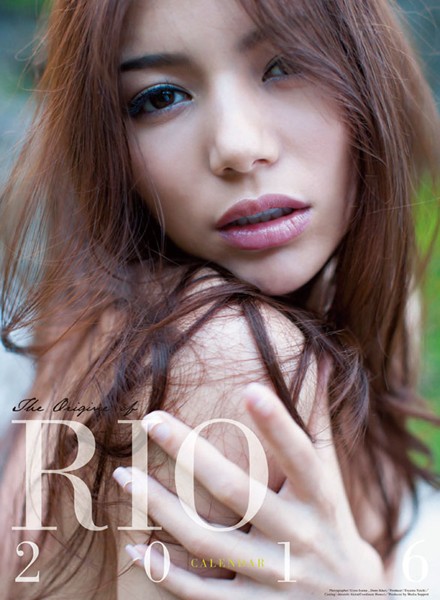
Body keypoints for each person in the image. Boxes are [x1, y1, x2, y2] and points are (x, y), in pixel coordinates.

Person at [0, 0, 439, 598]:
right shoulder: (226, 363)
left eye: (286, 64)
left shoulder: (364, 309)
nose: (236, 145)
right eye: (159, 97)